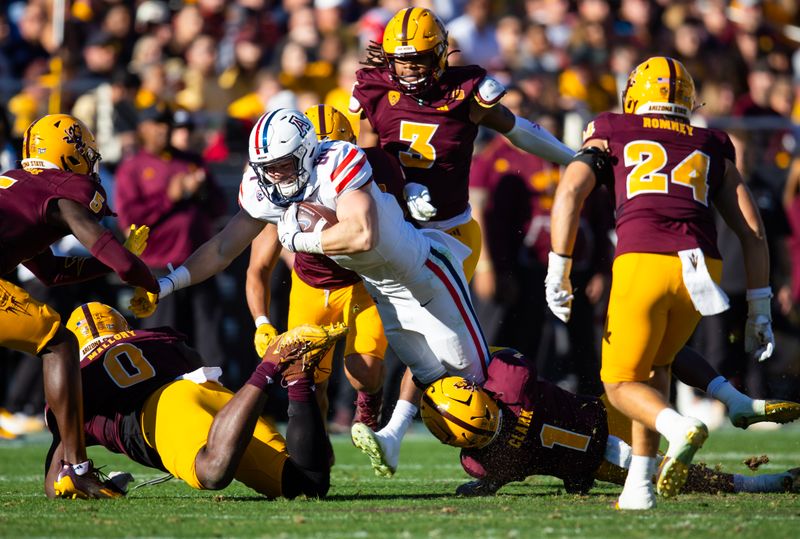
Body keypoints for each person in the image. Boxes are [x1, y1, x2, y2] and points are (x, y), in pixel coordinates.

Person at [127, 108, 490, 473]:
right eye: (265, 167)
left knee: (465, 369)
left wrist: (300, 238)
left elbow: (364, 234)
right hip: (353, 284)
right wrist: (166, 283)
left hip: (410, 276)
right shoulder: (266, 185)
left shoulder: (342, 162)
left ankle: (496, 437)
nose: (272, 176)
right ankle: (322, 463)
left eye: (281, 165)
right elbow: (224, 248)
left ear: (308, 152)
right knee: (307, 378)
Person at [349, 6, 576, 476]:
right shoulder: (373, 89)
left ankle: (399, 427)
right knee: (394, 332)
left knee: (439, 340)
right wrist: (397, 190)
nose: (409, 69)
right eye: (402, 60)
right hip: (396, 231)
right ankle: (379, 417)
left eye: (418, 59)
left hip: (450, 234)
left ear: (439, 54)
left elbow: (520, 132)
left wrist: (573, 158)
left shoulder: (467, 91)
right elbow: (363, 158)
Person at [547, 57, 775, 509]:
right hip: (703, 270)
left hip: (643, 260)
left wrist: (560, 266)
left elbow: (571, 190)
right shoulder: (711, 140)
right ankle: (641, 486)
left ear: (635, 94)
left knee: (617, 382)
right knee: (656, 368)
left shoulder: (612, 126)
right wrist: (760, 305)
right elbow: (753, 230)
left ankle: (678, 426)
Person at [0, 114, 159, 498]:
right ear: (67, 154)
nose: (89, 163)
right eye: (83, 153)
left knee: (56, 341)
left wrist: (120, 260)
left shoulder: (23, 187)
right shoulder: (59, 187)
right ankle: (75, 469)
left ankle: (67, 473)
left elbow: (52, 271)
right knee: (59, 342)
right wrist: (145, 277)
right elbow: (112, 256)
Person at [47, 302, 346, 499]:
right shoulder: (150, 336)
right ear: (121, 326)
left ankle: (269, 367)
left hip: (161, 411)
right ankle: (296, 376)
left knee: (212, 472)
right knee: (306, 484)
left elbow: (54, 484)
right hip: (208, 388)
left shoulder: (76, 372)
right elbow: (194, 359)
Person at [419, 347, 800, 498]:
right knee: (657, 350)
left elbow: (501, 473)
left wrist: (487, 484)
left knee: (674, 476)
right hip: (608, 412)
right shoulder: (509, 381)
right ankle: (730, 397)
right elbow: (497, 354)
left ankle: (770, 483)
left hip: (597, 465)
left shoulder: (478, 461)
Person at [246, 105, 395, 430]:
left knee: (364, 372)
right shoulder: (280, 192)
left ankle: (369, 400)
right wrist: (261, 322)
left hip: (363, 281)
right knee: (305, 384)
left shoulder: (366, 171)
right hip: (310, 286)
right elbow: (257, 266)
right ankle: (318, 448)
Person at [115, 104, 227, 366]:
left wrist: (200, 191)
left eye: (167, 124)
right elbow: (130, 221)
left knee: (208, 336)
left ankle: (216, 394)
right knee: (160, 340)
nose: (163, 130)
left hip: (199, 264)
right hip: (158, 269)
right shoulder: (132, 168)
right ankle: (158, 397)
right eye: (157, 124)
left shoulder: (190, 161)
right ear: (142, 129)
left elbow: (219, 207)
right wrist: (169, 196)